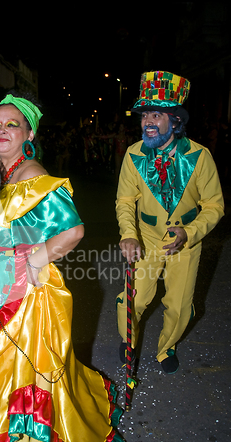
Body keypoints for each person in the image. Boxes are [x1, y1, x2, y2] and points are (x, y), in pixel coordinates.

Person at [0, 93, 124, 442]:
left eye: (12, 124)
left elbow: (72, 232)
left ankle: (17, 434)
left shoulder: (32, 176)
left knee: (11, 363)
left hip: (19, 293)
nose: (2, 131)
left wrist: (29, 260)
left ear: (29, 133)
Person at [115, 70, 224, 374]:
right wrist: (129, 234)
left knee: (178, 307)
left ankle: (167, 348)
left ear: (175, 121)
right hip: (147, 239)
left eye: (157, 114)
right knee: (132, 298)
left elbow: (215, 205)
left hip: (186, 245)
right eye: (145, 114)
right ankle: (129, 340)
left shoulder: (200, 157)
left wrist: (190, 232)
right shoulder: (134, 155)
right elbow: (125, 200)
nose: (148, 121)